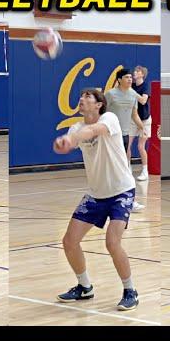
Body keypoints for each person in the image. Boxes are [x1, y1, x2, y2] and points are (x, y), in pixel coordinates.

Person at [53, 88, 139, 311]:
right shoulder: (76, 127)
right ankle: (84, 287)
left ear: (99, 104)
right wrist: (62, 144)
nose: (81, 100)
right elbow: (68, 144)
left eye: (87, 97)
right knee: (69, 241)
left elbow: (93, 131)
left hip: (122, 191)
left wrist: (72, 137)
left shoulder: (109, 118)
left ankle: (130, 290)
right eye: (81, 97)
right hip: (95, 194)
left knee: (112, 242)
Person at [105, 68, 145, 212]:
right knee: (117, 168)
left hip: (125, 135)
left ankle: (127, 200)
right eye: (127, 77)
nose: (130, 79)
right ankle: (118, 200)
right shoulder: (110, 94)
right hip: (110, 135)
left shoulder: (133, 94)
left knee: (124, 167)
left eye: (131, 77)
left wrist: (142, 128)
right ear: (119, 79)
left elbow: (134, 114)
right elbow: (101, 113)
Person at [127, 65, 152, 181]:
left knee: (140, 146)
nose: (135, 73)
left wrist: (131, 92)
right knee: (127, 145)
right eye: (135, 71)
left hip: (145, 120)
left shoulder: (146, 86)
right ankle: (127, 168)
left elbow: (143, 100)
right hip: (133, 119)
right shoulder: (131, 86)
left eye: (138, 71)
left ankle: (145, 171)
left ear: (142, 74)